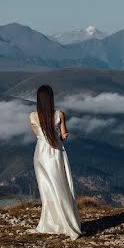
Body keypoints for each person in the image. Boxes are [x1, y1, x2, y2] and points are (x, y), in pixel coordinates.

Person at [28, 84, 82, 239]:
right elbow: (63, 135)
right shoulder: (59, 114)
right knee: (61, 186)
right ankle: (66, 222)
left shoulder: (32, 117)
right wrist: (62, 136)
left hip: (41, 155)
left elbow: (37, 135)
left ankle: (51, 222)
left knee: (47, 190)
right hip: (56, 153)